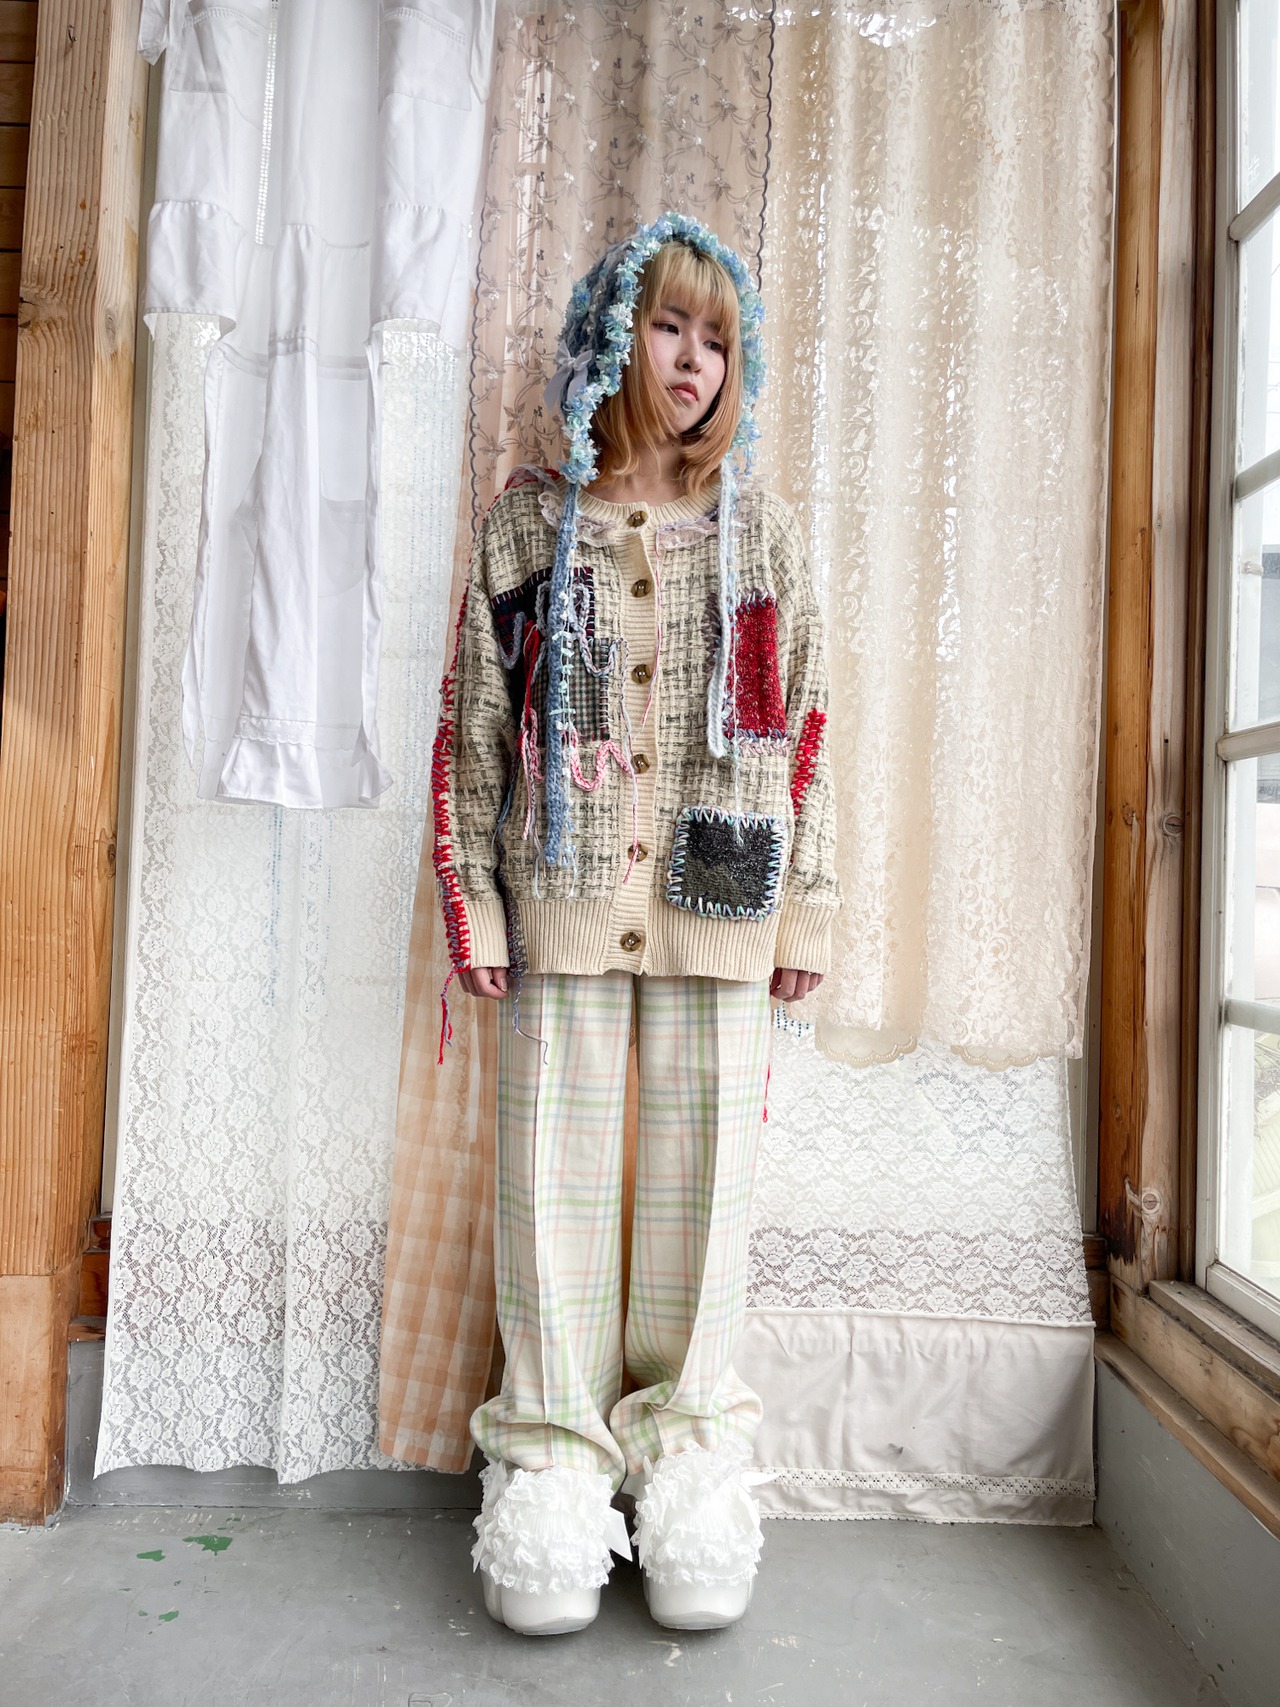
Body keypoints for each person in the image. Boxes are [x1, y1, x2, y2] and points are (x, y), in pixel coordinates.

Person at [431, 212, 839, 1637]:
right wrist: (477, 900)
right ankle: (550, 1460)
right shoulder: (527, 525)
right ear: (614, 336)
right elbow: (476, 728)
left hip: (724, 903)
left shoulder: (763, 534)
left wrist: (809, 906)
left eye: (718, 338)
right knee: (548, 1183)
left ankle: (688, 1458)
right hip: (562, 900)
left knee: (702, 1192)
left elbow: (807, 731)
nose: (691, 359)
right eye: (669, 325)